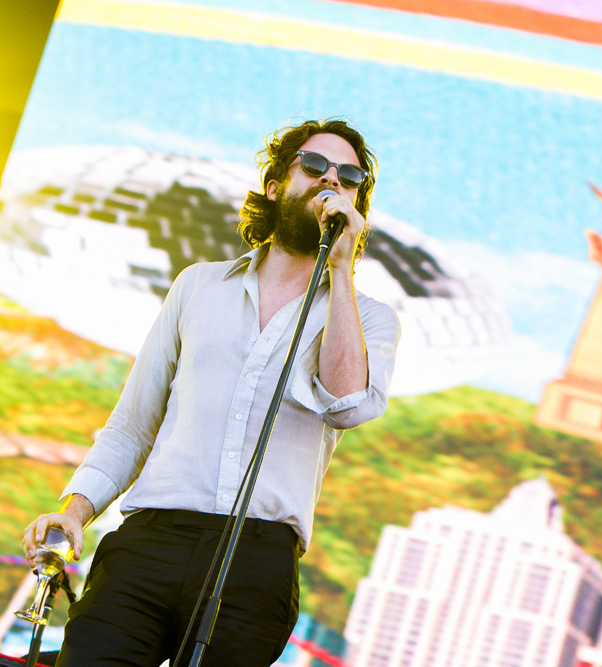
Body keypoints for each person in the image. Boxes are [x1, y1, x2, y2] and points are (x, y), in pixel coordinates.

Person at [21, 118, 402, 665]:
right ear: (274, 185)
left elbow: (346, 405)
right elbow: (132, 425)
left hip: (257, 561)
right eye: (315, 165)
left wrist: (341, 267)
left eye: (349, 175)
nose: (331, 181)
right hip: (150, 540)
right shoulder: (198, 285)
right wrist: (75, 512)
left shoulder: (368, 319)